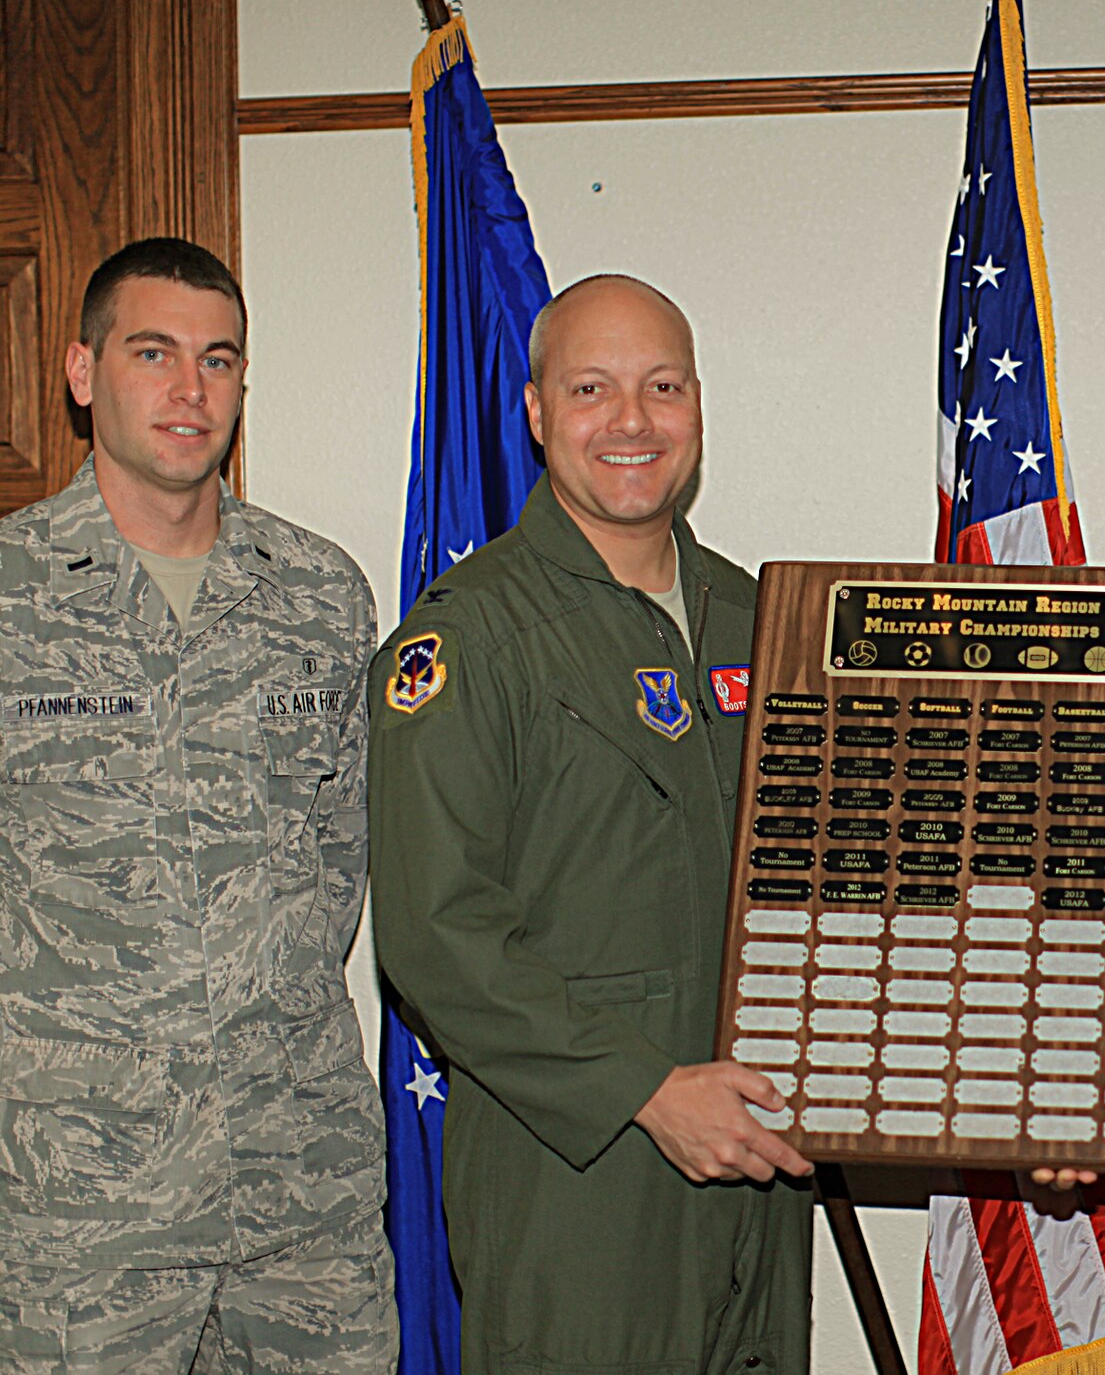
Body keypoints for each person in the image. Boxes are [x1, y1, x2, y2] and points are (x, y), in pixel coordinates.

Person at [368, 274, 813, 1374]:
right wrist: (646, 1092)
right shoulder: (469, 641)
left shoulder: (764, 620)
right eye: (591, 388)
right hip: (576, 1179)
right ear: (535, 412)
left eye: (663, 386)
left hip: (758, 1163)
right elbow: (437, 937)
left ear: (697, 404)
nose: (632, 419)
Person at [0, 238, 394, 1368]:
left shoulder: (318, 592)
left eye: (218, 360)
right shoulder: (14, 591)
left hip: (303, 1194)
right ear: (82, 372)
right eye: (154, 353)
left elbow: (337, 862)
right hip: (83, 1212)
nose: (190, 389)